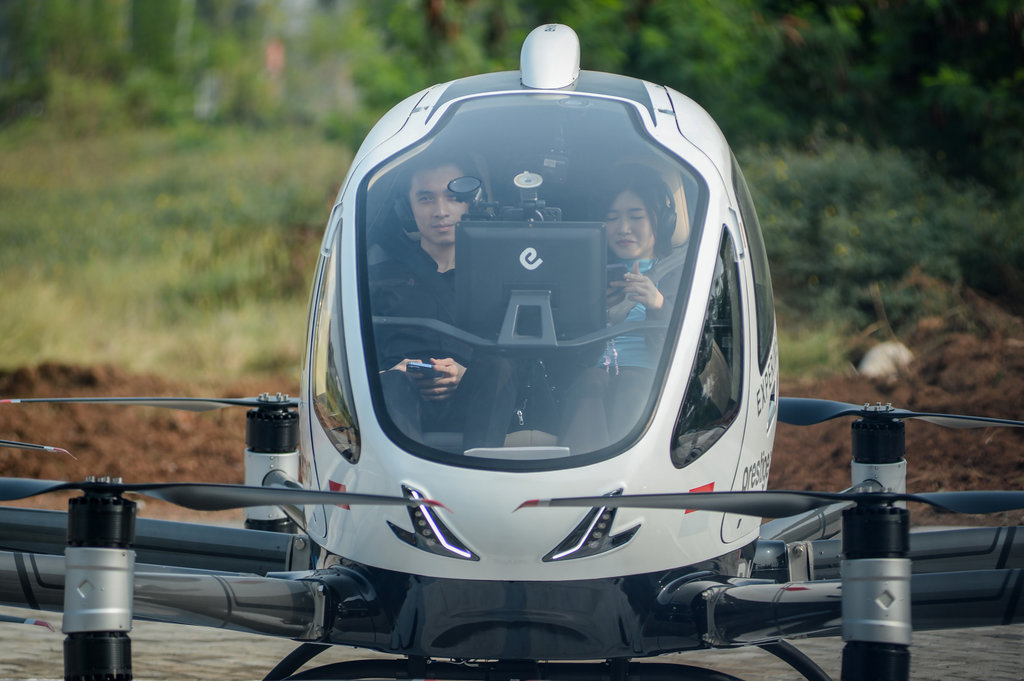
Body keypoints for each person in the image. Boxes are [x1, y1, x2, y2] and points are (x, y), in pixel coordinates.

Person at [370, 156, 516, 451]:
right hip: (395, 410)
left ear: (471, 203)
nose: (440, 211)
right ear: (406, 208)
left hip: (476, 401)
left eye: (452, 197)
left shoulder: (500, 278)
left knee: (498, 367)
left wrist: (464, 374)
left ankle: (481, 477)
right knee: (393, 384)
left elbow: (523, 358)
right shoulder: (376, 279)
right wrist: (395, 373)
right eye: (425, 198)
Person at [560, 166, 685, 452]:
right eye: (612, 218)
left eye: (636, 217)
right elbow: (565, 352)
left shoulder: (685, 273)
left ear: (661, 221)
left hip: (650, 379)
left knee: (634, 387)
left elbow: (693, 347)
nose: (623, 228)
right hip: (592, 374)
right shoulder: (584, 273)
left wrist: (658, 304)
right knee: (589, 383)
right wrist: (595, 311)